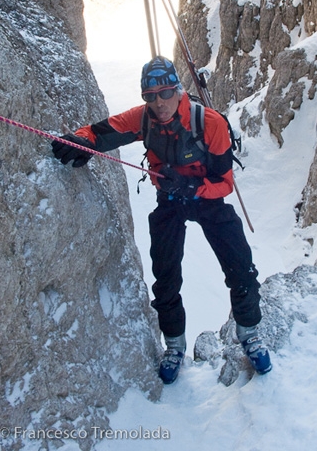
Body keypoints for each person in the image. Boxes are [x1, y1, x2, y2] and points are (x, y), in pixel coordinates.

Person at [51, 56, 272, 384]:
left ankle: (249, 335)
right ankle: (174, 346)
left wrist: (192, 187)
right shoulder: (144, 119)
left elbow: (225, 183)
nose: (159, 102)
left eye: (166, 93)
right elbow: (102, 132)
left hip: (208, 200)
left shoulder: (209, 123)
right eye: (150, 96)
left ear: (178, 91)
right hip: (170, 201)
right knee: (166, 278)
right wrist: (80, 141)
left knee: (241, 268)